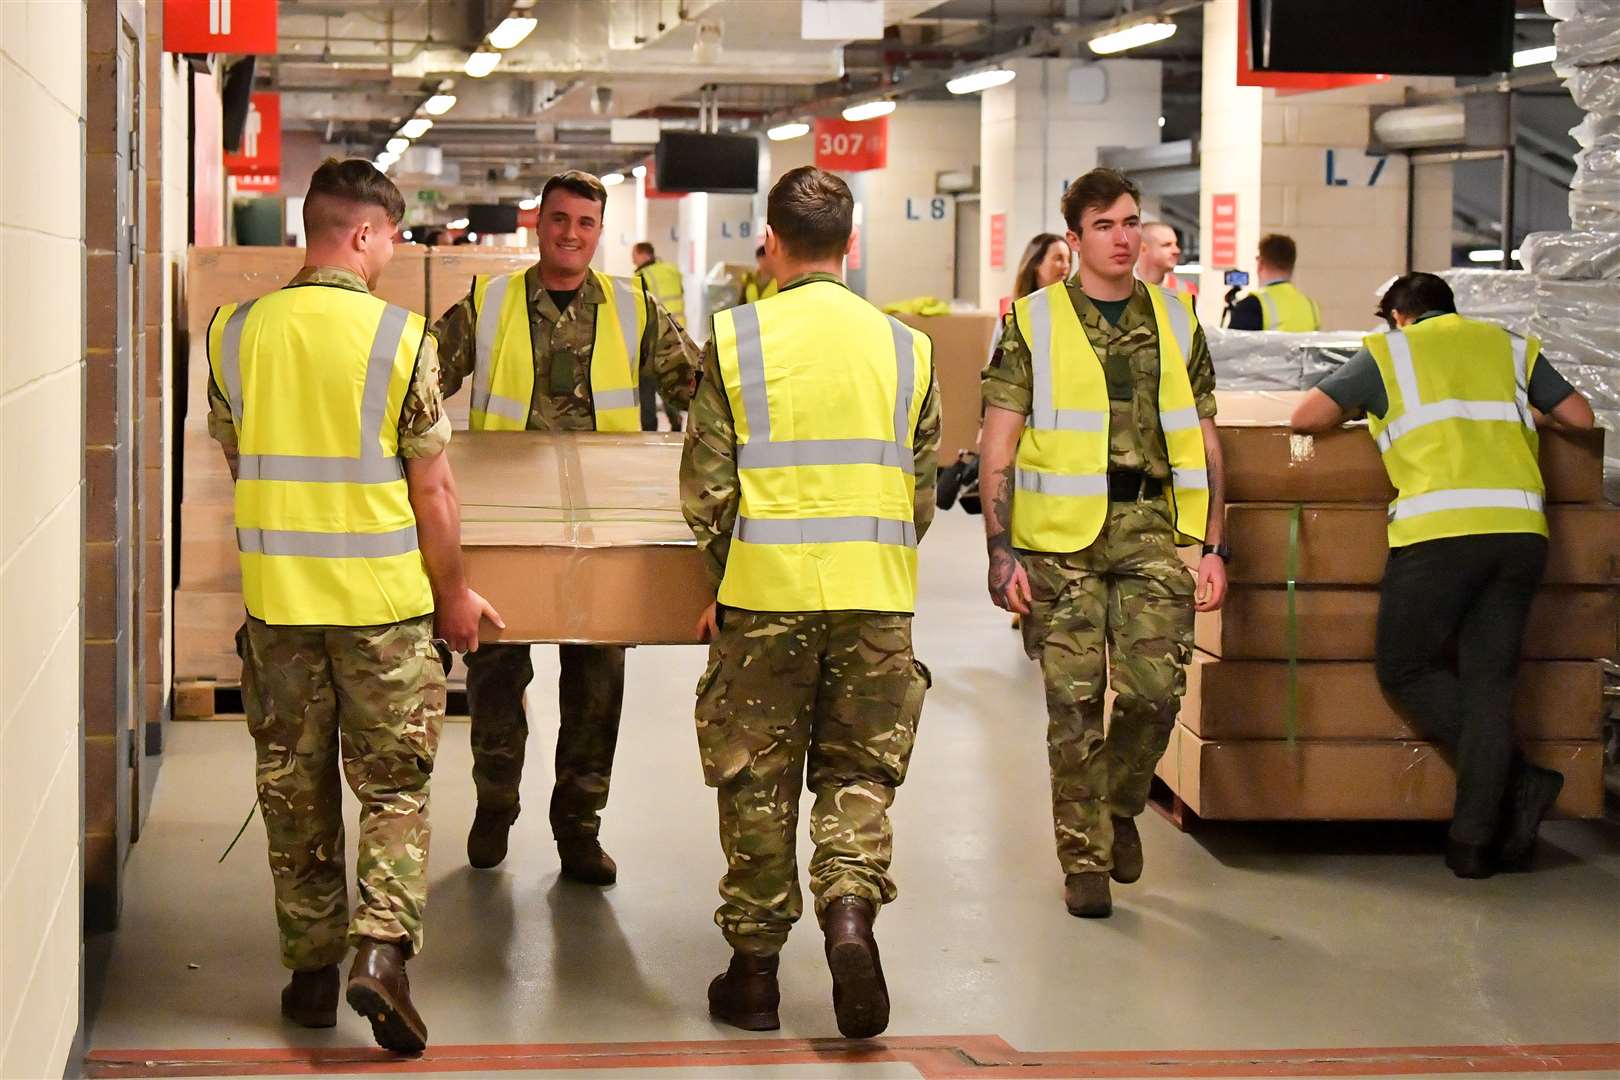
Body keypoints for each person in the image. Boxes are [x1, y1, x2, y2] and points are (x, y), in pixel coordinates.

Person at [205, 158, 501, 1055]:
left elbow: (236, 456)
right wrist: (453, 594)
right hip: (383, 614)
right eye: (394, 238)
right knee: (394, 790)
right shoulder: (402, 341)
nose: (393, 254)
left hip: (280, 606)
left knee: (293, 792)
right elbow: (434, 492)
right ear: (364, 233)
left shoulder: (232, 332)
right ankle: (381, 954)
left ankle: (308, 977)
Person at [681, 165, 941, 1038]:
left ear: (772, 242)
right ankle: (850, 915)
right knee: (857, 774)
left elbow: (707, 493)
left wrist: (730, 574)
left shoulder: (737, 339)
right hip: (876, 599)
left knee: (757, 779)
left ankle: (754, 977)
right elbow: (920, 494)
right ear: (852, 244)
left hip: (763, 597)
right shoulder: (909, 348)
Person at [433, 170, 700, 884]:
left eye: (585, 222)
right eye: (558, 220)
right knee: (494, 675)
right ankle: (495, 802)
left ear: (599, 231)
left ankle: (578, 828)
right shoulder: (489, 303)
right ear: (538, 225)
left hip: (602, 526)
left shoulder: (634, 305)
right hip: (509, 521)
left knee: (597, 686)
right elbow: (422, 381)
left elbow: (697, 388)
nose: (570, 234)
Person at [979, 168, 1228, 919]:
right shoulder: (1033, 321)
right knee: (1074, 703)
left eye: (1131, 223)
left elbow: (1209, 442)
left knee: (1156, 693)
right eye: (1106, 226)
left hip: (1151, 528)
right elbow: (999, 445)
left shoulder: (1179, 320)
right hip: (1060, 542)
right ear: (1075, 238)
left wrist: (1217, 545)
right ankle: (1083, 856)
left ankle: (1120, 804)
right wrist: (1000, 547)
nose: (1123, 238)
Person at [1290, 272, 1595, 878]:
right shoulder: (1508, 345)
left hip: (1439, 535)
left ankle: (1520, 777)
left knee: (1405, 667)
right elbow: (1581, 419)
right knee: (1489, 685)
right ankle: (1472, 846)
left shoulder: (1388, 352)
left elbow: (1306, 417)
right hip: (1520, 536)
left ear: (1399, 315)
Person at [633, 241, 688, 431]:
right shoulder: (671, 270)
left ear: (642, 254)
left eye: (634, 255)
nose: (633, 259)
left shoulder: (641, 277)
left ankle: (650, 426)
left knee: (647, 384)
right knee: (670, 379)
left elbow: (639, 310)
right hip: (677, 335)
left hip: (652, 338)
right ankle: (676, 421)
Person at [1227, 233, 1320, 331]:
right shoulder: (1311, 306)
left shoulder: (1251, 306)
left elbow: (1231, 345)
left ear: (1261, 263)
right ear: (1292, 264)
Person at [1136, 221, 1193, 294]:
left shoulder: (1186, 290)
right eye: (1167, 245)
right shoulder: (1119, 289)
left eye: (1175, 244)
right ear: (1143, 249)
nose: (1177, 251)